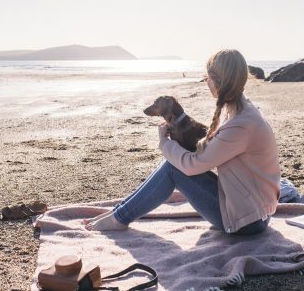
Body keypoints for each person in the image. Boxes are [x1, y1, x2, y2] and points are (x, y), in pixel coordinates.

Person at [84, 49, 281, 235]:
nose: (206, 83)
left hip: (247, 221)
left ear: (215, 81)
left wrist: (164, 142)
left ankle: (119, 218)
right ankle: (119, 213)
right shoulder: (243, 111)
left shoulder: (241, 125)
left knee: (173, 167)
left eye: (207, 78)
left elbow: (192, 165)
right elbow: (209, 153)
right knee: (173, 161)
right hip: (251, 208)